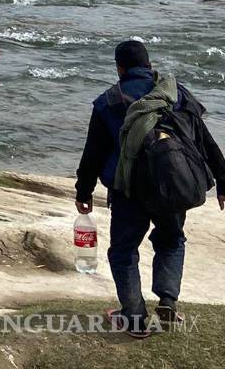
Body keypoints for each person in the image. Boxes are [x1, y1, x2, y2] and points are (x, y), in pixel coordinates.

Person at [75, 41, 225, 338]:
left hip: (129, 191)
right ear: (149, 64)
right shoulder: (175, 92)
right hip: (173, 185)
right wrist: (223, 182)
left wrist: (84, 192)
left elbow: (93, 153)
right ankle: (167, 301)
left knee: (123, 251)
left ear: (120, 68)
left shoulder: (109, 101)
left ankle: (133, 316)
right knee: (171, 240)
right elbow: (204, 140)